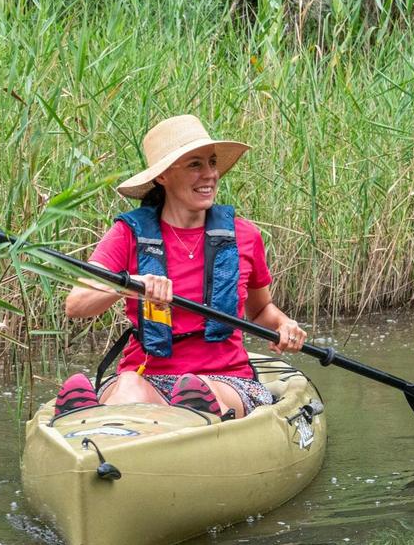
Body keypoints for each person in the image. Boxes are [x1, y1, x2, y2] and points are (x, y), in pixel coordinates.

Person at [58, 114, 307, 418]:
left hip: (226, 379)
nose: (210, 174)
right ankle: (93, 418)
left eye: (212, 163)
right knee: (127, 386)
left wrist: (283, 325)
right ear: (162, 176)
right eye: (194, 165)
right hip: (149, 377)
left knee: (197, 392)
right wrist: (132, 284)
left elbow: (259, 311)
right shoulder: (127, 234)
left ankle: (184, 415)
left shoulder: (245, 235)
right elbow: (76, 304)